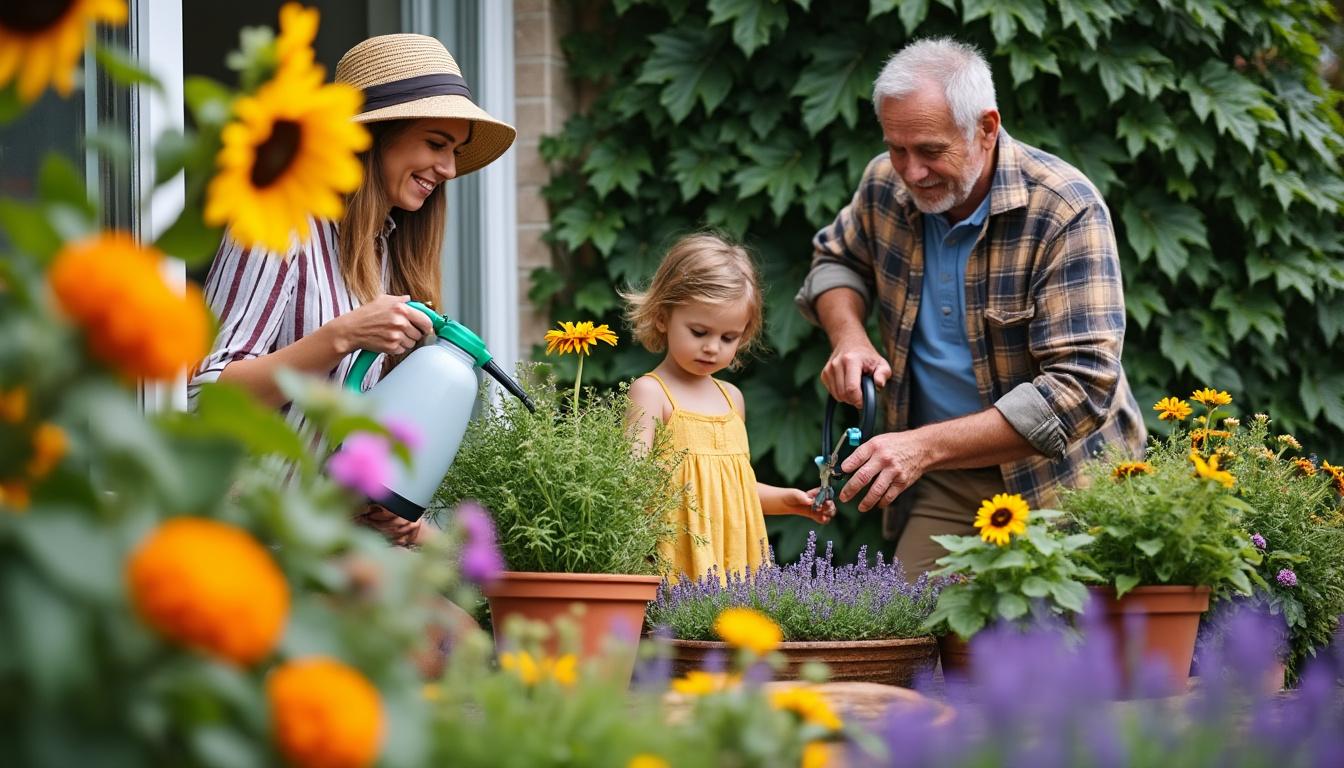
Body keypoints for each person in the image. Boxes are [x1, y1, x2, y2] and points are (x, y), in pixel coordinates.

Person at [794, 38, 1146, 578]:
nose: (911, 172)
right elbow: (835, 261)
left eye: (931, 151)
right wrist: (849, 337)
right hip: (947, 480)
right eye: (897, 148)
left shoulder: (1064, 208)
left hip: (1065, 481)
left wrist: (920, 448)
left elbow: (1081, 387)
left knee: (1060, 659)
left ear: (986, 127)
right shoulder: (884, 184)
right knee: (910, 644)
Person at [189, 34, 515, 545]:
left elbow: (342, 435)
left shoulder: (390, 256)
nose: (449, 169)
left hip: (324, 547)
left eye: (454, 150)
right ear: (374, 137)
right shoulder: (280, 226)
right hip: (246, 541)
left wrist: (387, 506)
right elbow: (206, 396)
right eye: (436, 143)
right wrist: (342, 335)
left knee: (458, 627)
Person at [625, 233, 836, 583]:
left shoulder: (731, 399)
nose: (712, 348)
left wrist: (789, 501)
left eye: (728, 338)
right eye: (699, 331)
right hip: (676, 562)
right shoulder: (652, 394)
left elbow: (735, 487)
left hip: (734, 562)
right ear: (663, 317)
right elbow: (631, 485)